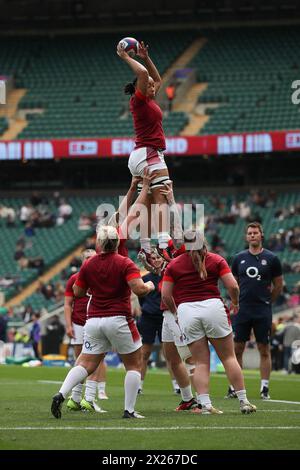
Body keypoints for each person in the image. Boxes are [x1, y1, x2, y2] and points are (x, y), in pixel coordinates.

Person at [51, 225, 155, 419]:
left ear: (99, 243)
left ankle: (61, 394)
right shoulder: (125, 263)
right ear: (116, 243)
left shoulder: (88, 265)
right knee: (134, 365)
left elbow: (78, 292)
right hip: (119, 319)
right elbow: (138, 289)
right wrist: (149, 285)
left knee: (85, 364)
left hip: (93, 321)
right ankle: (129, 410)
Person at [162, 233, 257, 415]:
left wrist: (175, 312)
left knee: (201, 363)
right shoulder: (216, 259)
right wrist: (235, 302)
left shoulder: (174, 264)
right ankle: (244, 401)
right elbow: (233, 286)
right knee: (229, 358)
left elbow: (166, 295)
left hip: (187, 310)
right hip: (213, 307)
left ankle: (205, 405)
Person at [117, 40, 177, 270]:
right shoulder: (140, 100)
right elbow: (143, 74)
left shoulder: (148, 99)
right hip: (148, 154)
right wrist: (126, 57)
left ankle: (145, 245)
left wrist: (146, 57)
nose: (154, 86)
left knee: (149, 202)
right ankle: (162, 243)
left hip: (142, 155)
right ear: (141, 88)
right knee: (162, 194)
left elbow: (156, 78)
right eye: (149, 85)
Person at [226, 222, 283, 400]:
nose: (252, 235)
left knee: (264, 349)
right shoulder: (238, 258)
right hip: (242, 310)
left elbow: (278, 285)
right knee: (237, 349)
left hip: (262, 310)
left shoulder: (272, 259)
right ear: (246, 237)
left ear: (261, 235)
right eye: (249, 233)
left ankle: (264, 388)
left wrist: (268, 302)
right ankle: (234, 388)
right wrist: (235, 302)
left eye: (255, 233)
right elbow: (232, 284)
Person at [64, 249, 109, 413]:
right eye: (87, 258)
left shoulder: (101, 276)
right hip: (79, 323)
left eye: (93, 258)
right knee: (80, 362)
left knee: (96, 360)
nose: (90, 261)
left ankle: (89, 397)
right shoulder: (74, 279)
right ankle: (77, 398)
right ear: (83, 261)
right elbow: (68, 303)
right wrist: (68, 325)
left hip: (95, 321)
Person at [137, 251, 180, 395]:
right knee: (144, 353)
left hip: (164, 317)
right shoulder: (145, 278)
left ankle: (177, 386)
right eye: (153, 258)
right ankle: (139, 386)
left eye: (158, 258)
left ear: (163, 259)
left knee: (170, 353)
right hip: (148, 318)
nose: (156, 260)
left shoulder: (168, 275)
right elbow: (141, 298)